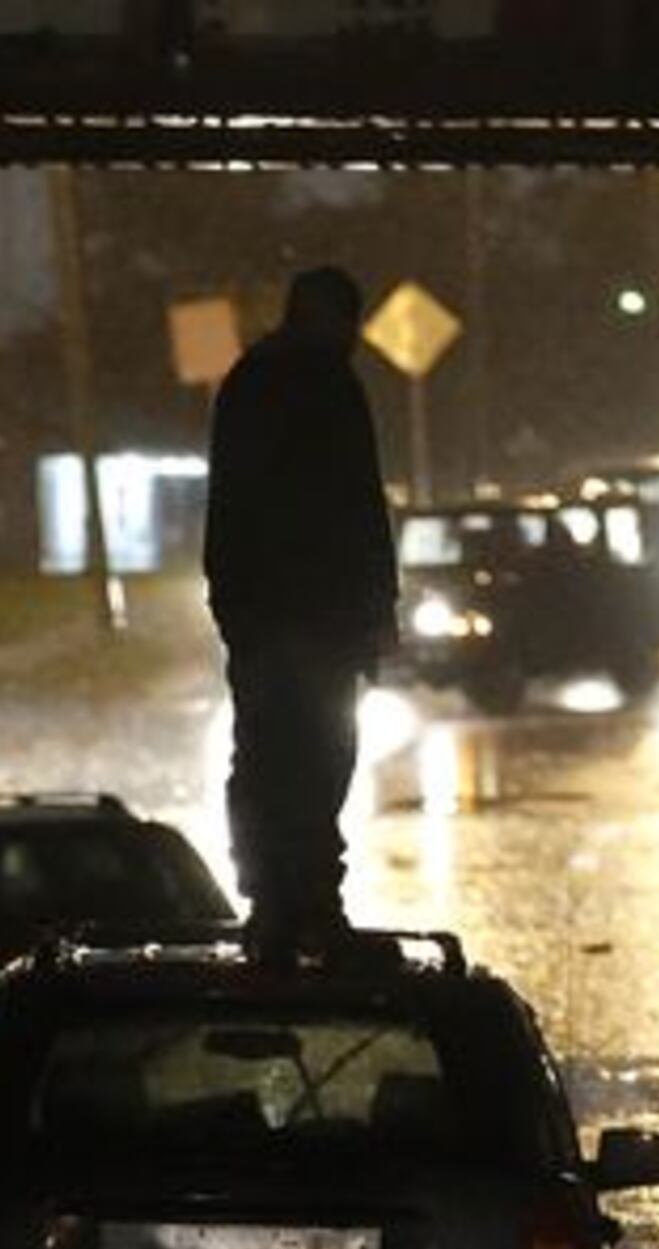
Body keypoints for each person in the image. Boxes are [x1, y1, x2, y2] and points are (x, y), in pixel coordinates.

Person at [202, 265, 397, 949]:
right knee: (318, 755)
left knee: (265, 754)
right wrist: (377, 611)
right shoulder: (330, 384)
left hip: (268, 614)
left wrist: (233, 605)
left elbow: (228, 504)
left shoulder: (249, 380)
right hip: (320, 617)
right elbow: (360, 505)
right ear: (336, 319)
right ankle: (309, 896)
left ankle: (273, 898)